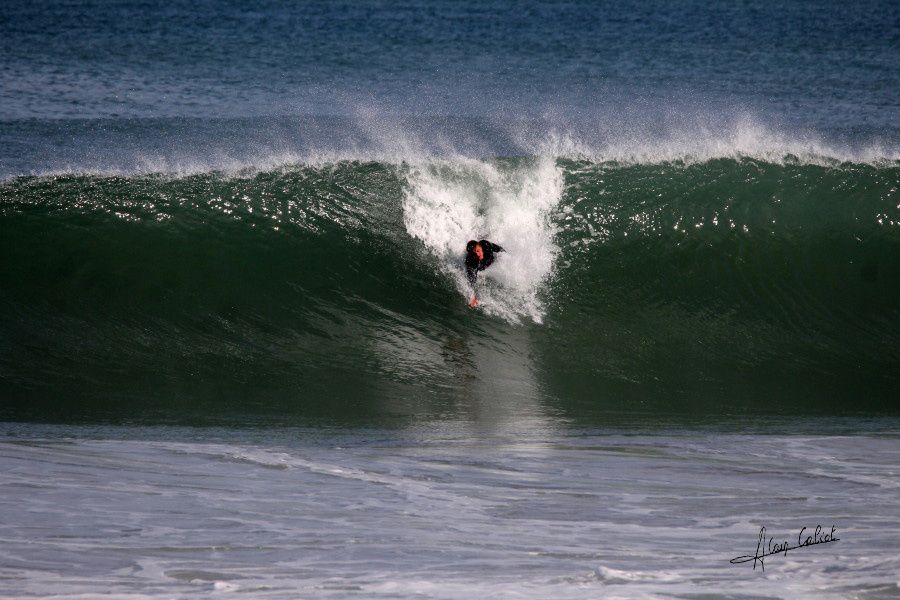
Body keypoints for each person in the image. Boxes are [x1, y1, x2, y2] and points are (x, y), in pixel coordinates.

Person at [464, 239, 504, 307]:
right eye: (474, 252)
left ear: (480, 247)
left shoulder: (486, 245)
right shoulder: (471, 261)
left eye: (477, 250)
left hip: (493, 260)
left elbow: (501, 250)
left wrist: (509, 259)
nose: (477, 254)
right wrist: (472, 297)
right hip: (482, 267)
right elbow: (471, 281)